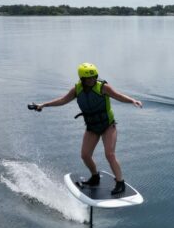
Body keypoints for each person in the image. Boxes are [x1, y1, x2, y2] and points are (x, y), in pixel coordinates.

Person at [32, 63, 142, 195]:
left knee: (110, 154)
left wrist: (132, 100)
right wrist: (44, 105)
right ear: (82, 79)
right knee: (85, 155)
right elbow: (62, 100)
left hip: (108, 126)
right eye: (88, 78)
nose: (92, 80)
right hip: (92, 127)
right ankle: (95, 177)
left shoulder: (102, 87)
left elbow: (118, 96)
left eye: (94, 77)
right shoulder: (76, 90)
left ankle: (120, 183)